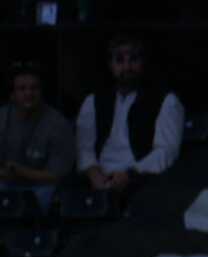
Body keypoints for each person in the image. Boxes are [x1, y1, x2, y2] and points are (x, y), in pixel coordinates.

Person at [75, 35, 184, 195]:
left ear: (143, 62)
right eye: (119, 60)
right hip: (98, 179)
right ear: (110, 65)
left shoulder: (166, 101)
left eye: (133, 59)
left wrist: (130, 174)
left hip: (142, 180)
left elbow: (166, 152)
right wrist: (93, 173)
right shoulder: (93, 101)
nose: (127, 67)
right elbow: (84, 148)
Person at [0, 62, 74, 212]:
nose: (29, 93)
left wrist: (20, 172)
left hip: (41, 187)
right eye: (22, 89)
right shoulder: (2, 117)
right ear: (12, 94)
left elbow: (56, 176)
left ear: (41, 91)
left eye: (34, 88)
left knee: (48, 195)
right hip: (5, 183)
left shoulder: (57, 123)